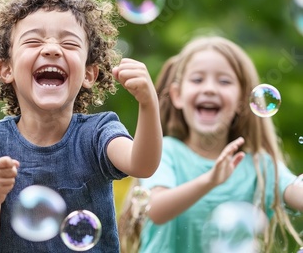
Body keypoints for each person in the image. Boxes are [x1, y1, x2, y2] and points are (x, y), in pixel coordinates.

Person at [0, 0, 162, 252]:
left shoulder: (99, 132)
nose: (52, 49)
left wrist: (149, 104)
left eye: (69, 44)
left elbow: (142, 165)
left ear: (90, 73)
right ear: (6, 69)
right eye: (33, 41)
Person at [118, 35, 303, 253]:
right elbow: (156, 209)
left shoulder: (261, 166)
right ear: (177, 95)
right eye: (197, 80)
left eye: (224, 81)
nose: (210, 89)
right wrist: (210, 180)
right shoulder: (166, 152)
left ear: (243, 100)